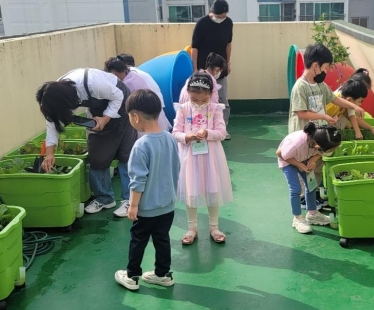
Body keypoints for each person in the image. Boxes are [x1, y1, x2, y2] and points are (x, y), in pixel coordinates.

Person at [35, 68, 137, 217]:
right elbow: (52, 124)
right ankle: (104, 198)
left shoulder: (93, 83)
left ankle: (129, 200)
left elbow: (118, 96)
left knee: (126, 155)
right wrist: (49, 154)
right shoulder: (52, 97)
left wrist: (105, 118)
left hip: (121, 106)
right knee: (97, 156)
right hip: (97, 112)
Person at [114, 89, 180, 291]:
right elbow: (175, 167)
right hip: (167, 205)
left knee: (138, 240)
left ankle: (132, 275)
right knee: (162, 239)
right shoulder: (170, 138)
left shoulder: (140, 146)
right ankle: (163, 274)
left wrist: (133, 206)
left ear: (135, 116)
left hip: (146, 208)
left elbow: (137, 180)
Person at [288, 43, 365, 210]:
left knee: (316, 164)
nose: (327, 71)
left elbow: (335, 99)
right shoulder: (300, 87)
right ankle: (304, 199)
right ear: (315, 66)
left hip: (318, 136)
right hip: (304, 136)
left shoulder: (320, 85)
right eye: (326, 67)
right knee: (304, 166)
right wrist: (323, 116)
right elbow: (301, 113)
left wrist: (354, 106)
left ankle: (313, 196)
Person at [172, 73, 233, 245]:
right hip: (190, 157)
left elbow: (221, 133)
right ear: (188, 93)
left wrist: (208, 133)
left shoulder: (215, 109)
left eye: (203, 100)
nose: (199, 102)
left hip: (211, 156)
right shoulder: (183, 109)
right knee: (192, 190)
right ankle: (192, 228)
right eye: (194, 99)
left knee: (212, 189)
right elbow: (175, 132)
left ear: (211, 94)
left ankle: (214, 227)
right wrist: (187, 136)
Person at [277, 123, 342, 234]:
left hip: (305, 158)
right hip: (289, 161)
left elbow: (321, 153)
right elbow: (280, 153)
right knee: (296, 189)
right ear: (317, 144)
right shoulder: (295, 143)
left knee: (312, 184)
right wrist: (298, 164)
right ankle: (297, 218)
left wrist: (313, 160)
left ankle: (312, 213)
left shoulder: (323, 140)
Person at [191, 0, 232, 139]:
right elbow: (194, 47)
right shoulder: (202, 23)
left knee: (222, 99)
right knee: (204, 98)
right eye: (218, 16)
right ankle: (203, 127)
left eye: (223, 16)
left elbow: (228, 44)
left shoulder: (228, 23)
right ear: (212, 13)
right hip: (205, 69)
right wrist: (195, 69)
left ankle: (222, 129)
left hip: (220, 67)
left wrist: (228, 63)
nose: (221, 19)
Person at [104, 56, 171, 133]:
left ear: (114, 73)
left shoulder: (127, 84)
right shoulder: (133, 73)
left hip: (145, 117)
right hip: (155, 113)